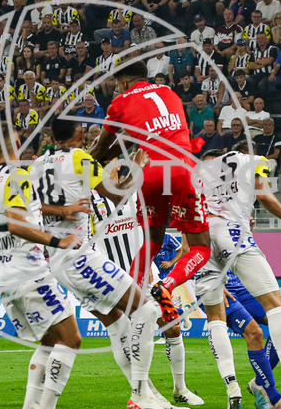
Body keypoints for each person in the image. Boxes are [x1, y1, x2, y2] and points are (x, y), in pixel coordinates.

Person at [32, 119, 188, 409]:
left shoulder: (38, 164)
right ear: (79, 135)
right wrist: (140, 165)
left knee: (117, 324)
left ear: (50, 136)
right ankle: (140, 394)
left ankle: (149, 394)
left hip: (58, 259)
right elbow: (111, 196)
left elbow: (33, 206)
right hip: (79, 256)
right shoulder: (79, 159)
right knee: (146, 309)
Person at [195, 144, 281, 405]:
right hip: (233, 232)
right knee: (274, 305)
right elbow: (264, 195)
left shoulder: (203, 170)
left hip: (203, 236)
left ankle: (232, 387)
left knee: (215, 319)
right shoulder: (256, 160)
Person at [0, 121, 83, 409]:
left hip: (5, 274)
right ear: (16, 142)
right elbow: (16, 224)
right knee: (72, 339)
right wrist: (56, 240)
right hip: (29, 270)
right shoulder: (17, 174)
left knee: (49, 340)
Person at [90, 60, 214, 326]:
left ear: (123, 82)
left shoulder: (120, 103)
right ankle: (167, 286)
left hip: (149, 172)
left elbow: (105, 147)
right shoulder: (171, 94)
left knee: (152, 243)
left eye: (116, 85)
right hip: (181, 169)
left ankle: (134, 304)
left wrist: (81, 164)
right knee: (201, 247)